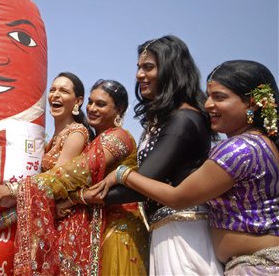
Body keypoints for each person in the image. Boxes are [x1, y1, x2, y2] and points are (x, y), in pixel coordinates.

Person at [95, 60, 279, 274]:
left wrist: (123, 174)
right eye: (209, 96)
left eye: (220, 97)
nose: (209, 104)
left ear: (253, 103)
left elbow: (178, 197)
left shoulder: (239, 149)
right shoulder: (264, 144)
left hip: (256, 268)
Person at [85, 35, 224, 275]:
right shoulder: (171, 119)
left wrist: (81, 196)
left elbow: (140, 186)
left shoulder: (184, 120)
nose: (139, 75)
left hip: (184, 234)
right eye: (139, 67)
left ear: (171, 70)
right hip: (168, 229)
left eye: (148, 67)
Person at [14, 79, 148, 275]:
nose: (92, 108)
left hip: (118, 231)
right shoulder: (94, 140)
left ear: (119, 109)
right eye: (91, 102)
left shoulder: (119, 137)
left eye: (100, 104)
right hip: (96, 228)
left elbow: (75, 174)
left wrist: (18, 189)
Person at [0, 72, 93, 257]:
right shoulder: (51, 139)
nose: (55, 95)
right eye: (52, 90)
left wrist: (0, 219)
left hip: (66, 226)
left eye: (63, 91)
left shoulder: (76, 134)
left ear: (78, 101)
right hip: (46, 221)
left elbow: (51, 186)